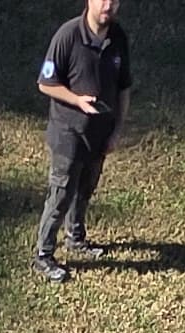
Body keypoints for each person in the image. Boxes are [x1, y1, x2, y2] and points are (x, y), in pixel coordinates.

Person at [33, 0, 130, 281]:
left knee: (85, 190)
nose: (108, 6)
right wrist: (76, 100)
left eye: (114, 1)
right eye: (102, 0)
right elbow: (45, 83)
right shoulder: (68, 35)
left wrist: (117, 130)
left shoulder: (118, 37)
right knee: (61, 194)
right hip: (69, 133)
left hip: (100, 134)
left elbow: (124, 87)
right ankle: (44, 254)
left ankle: (76, 238)